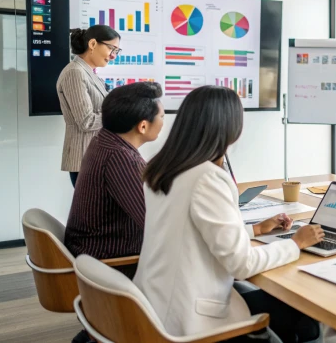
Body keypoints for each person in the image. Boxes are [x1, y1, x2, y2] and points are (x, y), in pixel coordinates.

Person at [135, 86, 324, 342]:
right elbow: (241, 264)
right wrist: (296, 243)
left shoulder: (162, 169)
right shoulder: (207, 178)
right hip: (190, 317)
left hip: (155, 303)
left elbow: (189, 233)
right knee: (303, 314)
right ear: (229, 127)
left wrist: (254, 229)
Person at [64, 81, 164, 277]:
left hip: (90, 253)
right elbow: (155, 224)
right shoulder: (121, 159)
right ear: (143, 126)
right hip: (109, 264)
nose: (163, 121)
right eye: (161, 116)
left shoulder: (104, 141)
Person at [57, 25, 121, 187]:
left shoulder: (88, 73)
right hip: (84, 160)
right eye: (111, 49)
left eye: (116, 51)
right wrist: (120, 115)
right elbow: (86, 121)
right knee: (94, 211)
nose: (113, 56)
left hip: (95, 158)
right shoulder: (75, 72)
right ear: (92, 44)